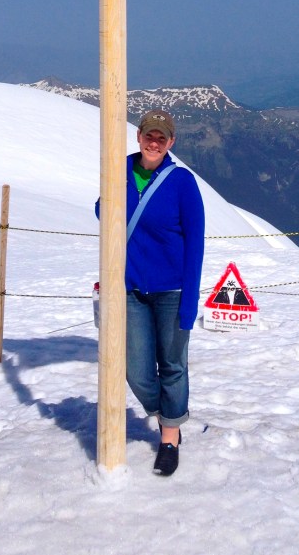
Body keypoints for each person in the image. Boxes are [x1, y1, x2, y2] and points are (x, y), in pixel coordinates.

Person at [96, 109, 205, 476]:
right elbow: (103, 211)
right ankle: (167, 413)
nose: (154, 142)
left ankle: (170, 437)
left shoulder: (182, 183)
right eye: (149, 135)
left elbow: (195, 245)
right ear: (139, 136)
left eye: (162, 137)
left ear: (171, 142)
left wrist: (190, 302)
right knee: (137, 371)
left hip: (172, 290)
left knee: (173, 365)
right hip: (130, 290)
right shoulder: (121, 170)